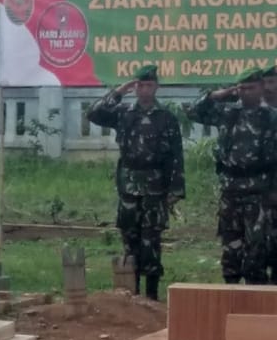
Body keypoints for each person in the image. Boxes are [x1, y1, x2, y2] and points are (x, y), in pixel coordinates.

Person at [86, 65, 184, 300]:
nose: (144, 90)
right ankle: (131, 293)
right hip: (129, 186)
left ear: (156, 87)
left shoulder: (166, 117)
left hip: (155, 186)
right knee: (129, 238)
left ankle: (151, 295)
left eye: (149, 85)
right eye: (140, 85)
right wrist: (119, 91)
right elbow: (94, 113)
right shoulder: (123, 112)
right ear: (135, 87)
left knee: (152, 240)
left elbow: (176, 155)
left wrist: (176, 188)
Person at [188, 68, 277, 284]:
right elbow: (193, 111)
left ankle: (257, 305)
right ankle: (230, 298)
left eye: (251, 88)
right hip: (230, 192)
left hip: (259, 194)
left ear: (261, 88)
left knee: (256, 253)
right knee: (230, 253)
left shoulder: (271, 117)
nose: (246, 92)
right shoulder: (227, 113)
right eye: (243, 88)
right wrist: (221, 94)